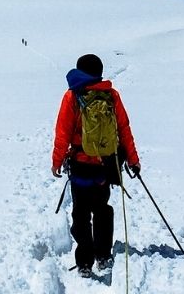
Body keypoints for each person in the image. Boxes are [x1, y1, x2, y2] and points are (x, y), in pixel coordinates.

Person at [51, 53, 141, 277]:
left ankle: (84, 262)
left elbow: (62, 132)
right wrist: (133, 160)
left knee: (80, 213)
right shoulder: (111, 95)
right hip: (105, 165)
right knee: (102, 210)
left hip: (80, 164)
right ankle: (103, 255)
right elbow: (124, 129)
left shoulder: (72, 96)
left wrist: (57, 160)